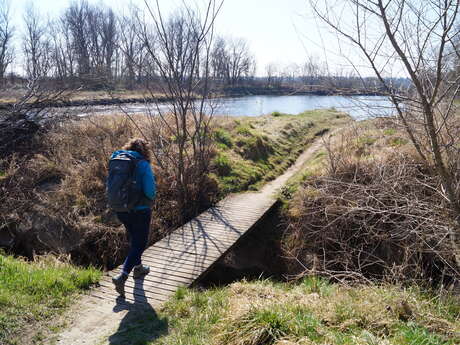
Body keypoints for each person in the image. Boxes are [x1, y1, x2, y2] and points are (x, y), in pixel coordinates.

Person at [110, 138, 156, 297]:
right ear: (145, 150)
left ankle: (138, 268)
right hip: (140, 209)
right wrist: (151, 199)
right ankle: (122, 276)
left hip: (120, 209)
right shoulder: (143, 164)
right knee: (140, 244)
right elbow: (150, 190)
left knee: (133, 239)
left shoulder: (117, 160)